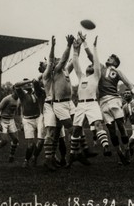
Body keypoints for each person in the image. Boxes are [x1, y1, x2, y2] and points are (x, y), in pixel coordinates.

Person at [85, 48, 134, 165]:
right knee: (111, 130)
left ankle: (126, 150)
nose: (108, 58)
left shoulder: (117, 72)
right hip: (103, 102)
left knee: (120, 125)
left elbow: (128, 83)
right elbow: (91, 57)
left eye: (111, 58)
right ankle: (119, 153)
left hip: (114, 100)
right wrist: (85, 44)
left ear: (115, 63)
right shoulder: (100, 68)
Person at [68, 33, 111, 165]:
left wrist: (93, 46)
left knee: (98, 124)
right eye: (89, 66)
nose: (90, 66)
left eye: (91, 66)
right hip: (80, 105)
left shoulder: (96, 76)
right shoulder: (81, 76)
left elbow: (96, 63)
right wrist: (75, 49)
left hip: (92, 104)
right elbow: (75, 63)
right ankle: (72, 155)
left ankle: (105, 147)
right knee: (76, 130)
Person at [41, 35, 75, 170]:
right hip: (49, 105)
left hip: (57, 104)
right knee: (50, 132)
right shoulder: (47, 73)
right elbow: (51, 61)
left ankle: (52, 158)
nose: (55, 61)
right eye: (54, 60)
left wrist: (75, 47)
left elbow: (68, 61)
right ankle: (48, 160)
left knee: (56, 134)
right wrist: (53, 47)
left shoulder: (60, 72)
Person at [13, 78, 45, 168]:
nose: (28, 85)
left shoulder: (37, 92)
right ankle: (26, 160)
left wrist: (36, 82)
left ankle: (34, 158)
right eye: (25, 84)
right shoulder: (22, 94)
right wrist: (29, 80)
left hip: (38, 117)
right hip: (28, 120)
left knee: (41, 140)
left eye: (29, 84)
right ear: (23, 86)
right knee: (30, 145)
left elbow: (42, 90)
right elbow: (16, 84)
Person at [0, 88, 20, 163]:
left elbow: (15, 111)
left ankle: (11, 156)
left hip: (11, 120)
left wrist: (17, 121)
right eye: (17, 91)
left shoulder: (19, 100)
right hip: (2, 120)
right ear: (13, 90)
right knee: (5, 140)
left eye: (20, 91)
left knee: (16, 140)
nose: (18, 93)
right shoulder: (7, 99)